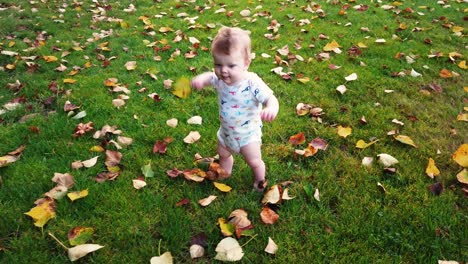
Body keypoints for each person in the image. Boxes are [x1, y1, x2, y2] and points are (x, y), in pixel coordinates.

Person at [191, 27, 279, 191]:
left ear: (246, 63)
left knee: (254, 161)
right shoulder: (220, 79)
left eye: (231, 65)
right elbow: (210, 77)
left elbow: (270, 98)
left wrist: (271, 107)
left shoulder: (252, 82)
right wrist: (200, 79)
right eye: (218, 64)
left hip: (248, 134)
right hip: (226, 132)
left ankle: (260, 181)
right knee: (223, 154)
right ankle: (226, 172)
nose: (223, 70)